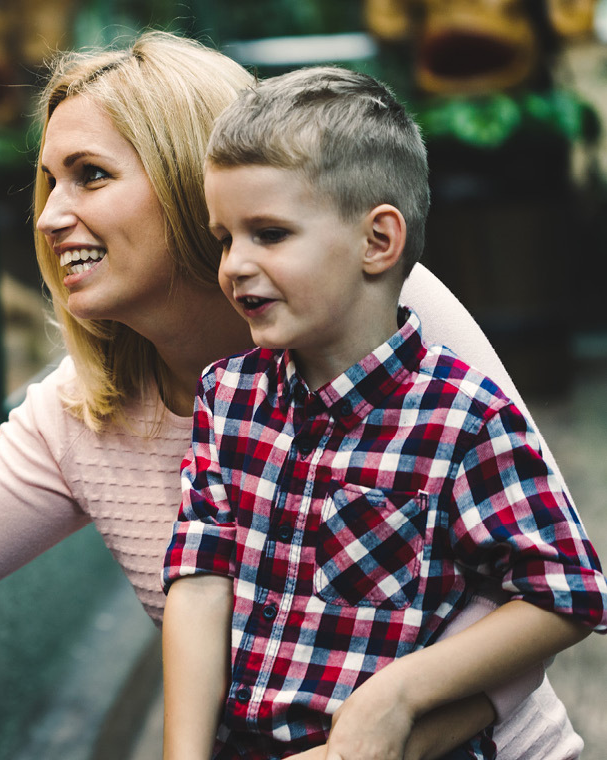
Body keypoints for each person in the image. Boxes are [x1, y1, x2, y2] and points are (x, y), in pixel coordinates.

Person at [0, 30, 590, 757]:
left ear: (187, 178)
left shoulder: (385, 310)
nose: (50, 215)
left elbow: (537, 580)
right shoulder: (88, 405)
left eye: (91, 176)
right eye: (47, 183)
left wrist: (388, 719)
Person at [161, 66, 607, 760]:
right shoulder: (227, 396)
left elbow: (567, 593)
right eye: (224, 238)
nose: (234, 265)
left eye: (269, 233)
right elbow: (200, 576)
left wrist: (399, 693)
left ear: (378, 241)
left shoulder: (464, 418)